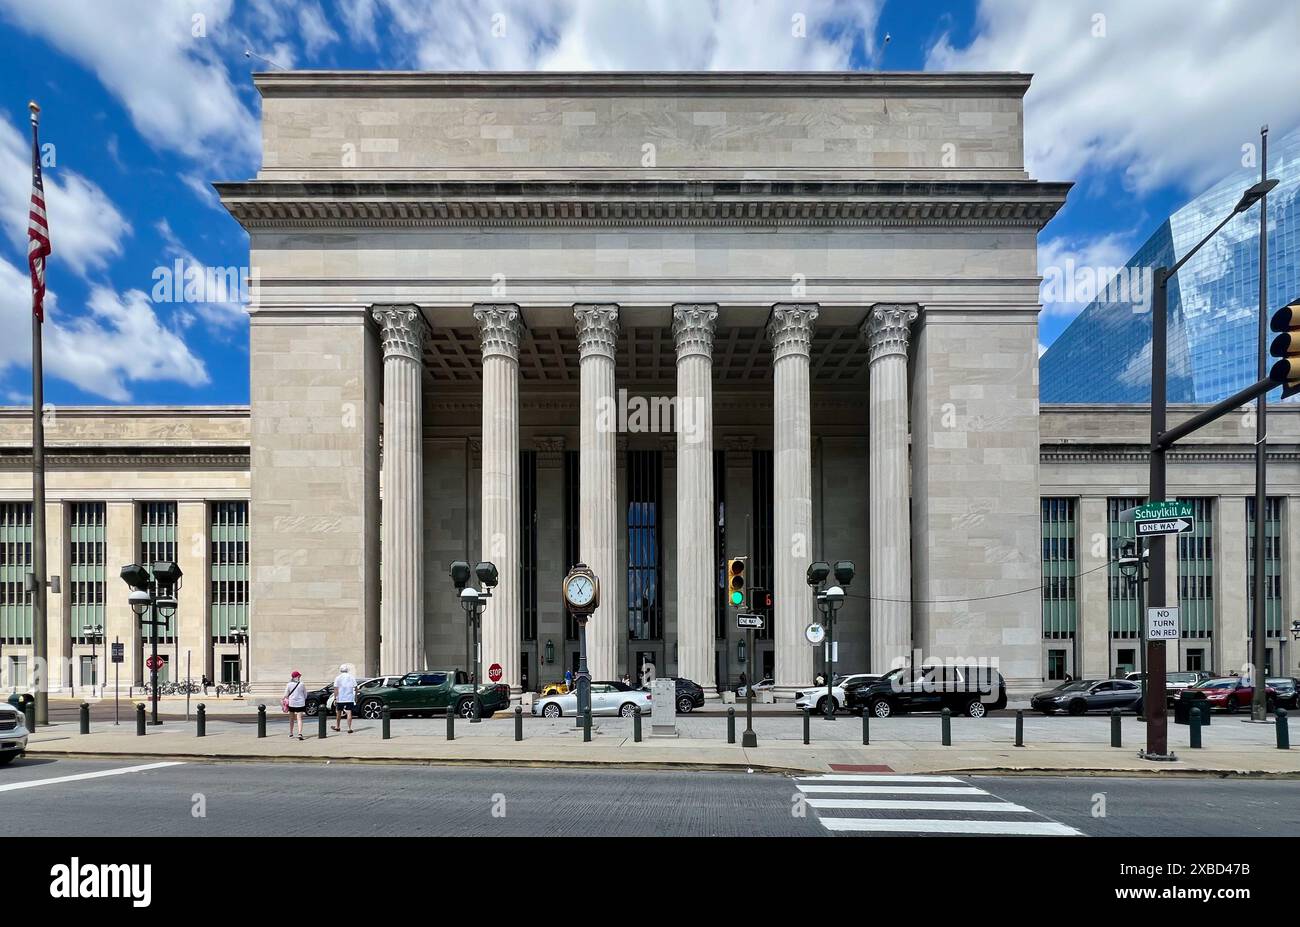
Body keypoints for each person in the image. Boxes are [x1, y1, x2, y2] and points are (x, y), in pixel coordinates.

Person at [332, 663, 357, 733]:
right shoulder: (351, 677)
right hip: (349, 698)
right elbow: (355, 687)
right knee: (349, 712)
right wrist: (356, 697)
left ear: (340, 670)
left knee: (338, 712)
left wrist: (335, 698)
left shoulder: (338, 678)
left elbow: (336, 689)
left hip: (340, 698)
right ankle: (349, 728)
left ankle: (337, 726)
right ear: (347, 670)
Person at [283, 670, 307, 740]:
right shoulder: (302, 684)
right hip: (300, 703)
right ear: (297, 677)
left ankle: (291, 733)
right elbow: (305, 694)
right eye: (299, 676)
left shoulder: (289, 684)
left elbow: (286, 694)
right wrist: (302, 699)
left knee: (291, 719)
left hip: (292, 703)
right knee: (299, 719)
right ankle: (300, 733)